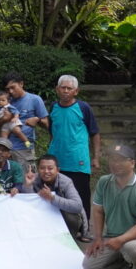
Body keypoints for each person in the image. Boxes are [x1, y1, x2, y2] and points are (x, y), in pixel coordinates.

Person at [83, 145, 136, 269]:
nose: (116, 163)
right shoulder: (104, 182)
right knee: (90, 267)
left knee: (132, 248)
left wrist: (121, 240)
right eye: (112, 159)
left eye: (121, 160)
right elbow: (98, 210)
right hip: (113, 236)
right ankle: (127, 263)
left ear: (132, 163)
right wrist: (98, 238)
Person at [49, 74, 101, 219]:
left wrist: (96, 157)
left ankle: (84, 227)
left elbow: (95, 133)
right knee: (57, 196)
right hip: (57, 162)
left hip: (78, 161)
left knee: (81, 197)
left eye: (69, 88)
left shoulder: (83, 108)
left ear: (76, 91)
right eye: (63, 88)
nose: (66, 91)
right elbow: (52, 131)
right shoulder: (53, 107)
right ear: (57, 89)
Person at [22, 154, 88, 239]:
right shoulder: (33, 178)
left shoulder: (66, 182)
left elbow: (77, 206)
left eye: (50, 168)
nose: (46, 171)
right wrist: (28, 185)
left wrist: (52, 198)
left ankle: (70, 239)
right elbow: (29, 205)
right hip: (43, 214)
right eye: (42, 168)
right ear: (38, 169)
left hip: (61, 215)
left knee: (71, 218)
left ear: (57, 170)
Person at [3, 72, 50, 167]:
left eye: (13, 87)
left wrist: (37, 120)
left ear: (21, 84)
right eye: (7, 89)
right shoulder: (5, 101)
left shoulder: (34, 99)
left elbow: (46, 123)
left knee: (27, 176)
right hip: (6, 149)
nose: (10, 91)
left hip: (25, 149)